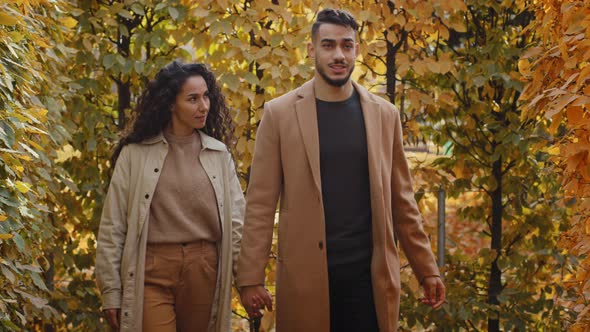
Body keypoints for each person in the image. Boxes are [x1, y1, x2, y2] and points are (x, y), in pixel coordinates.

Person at [236, 8, 445, 332]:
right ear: (311, 50)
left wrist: (427, 269)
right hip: (306, 282)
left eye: (347, 45)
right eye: (329, 45)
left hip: (369, 284)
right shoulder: (279, 115)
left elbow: (403, 202)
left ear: (356, 50)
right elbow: (261, 205)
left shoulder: (384, 115)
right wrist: (250, 277)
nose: (338, 54)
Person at [95, 61, 244, 332]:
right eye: (193, 99)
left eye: (206, 96)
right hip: (151, 270)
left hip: (204, 270)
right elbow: (112, 227)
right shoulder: (135, 154)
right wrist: (111, 292)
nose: (204, 106)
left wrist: (247, 281)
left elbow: (237, 223)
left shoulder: (219, 154)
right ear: (170, 104)